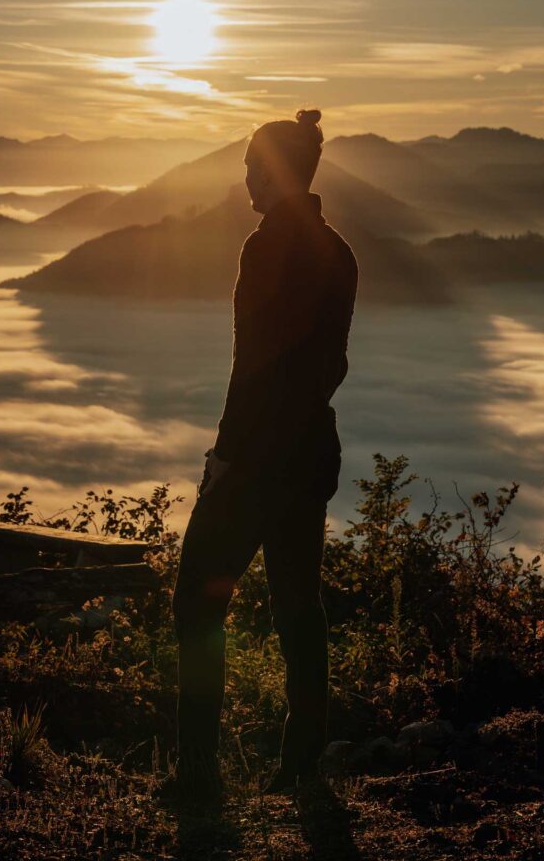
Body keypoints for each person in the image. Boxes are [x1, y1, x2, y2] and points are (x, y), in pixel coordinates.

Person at [161, 109, 358, 805]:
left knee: (196, 603)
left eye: (251, 164)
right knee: (297, 606)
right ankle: (301, 765)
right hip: (310, 455)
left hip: (255, 460)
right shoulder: (339, 252)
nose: (243, 174)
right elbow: (328, 365)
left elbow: (254, 363)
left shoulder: (266, 244)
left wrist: (225, 456)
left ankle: (198, 774)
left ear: (275, 171)